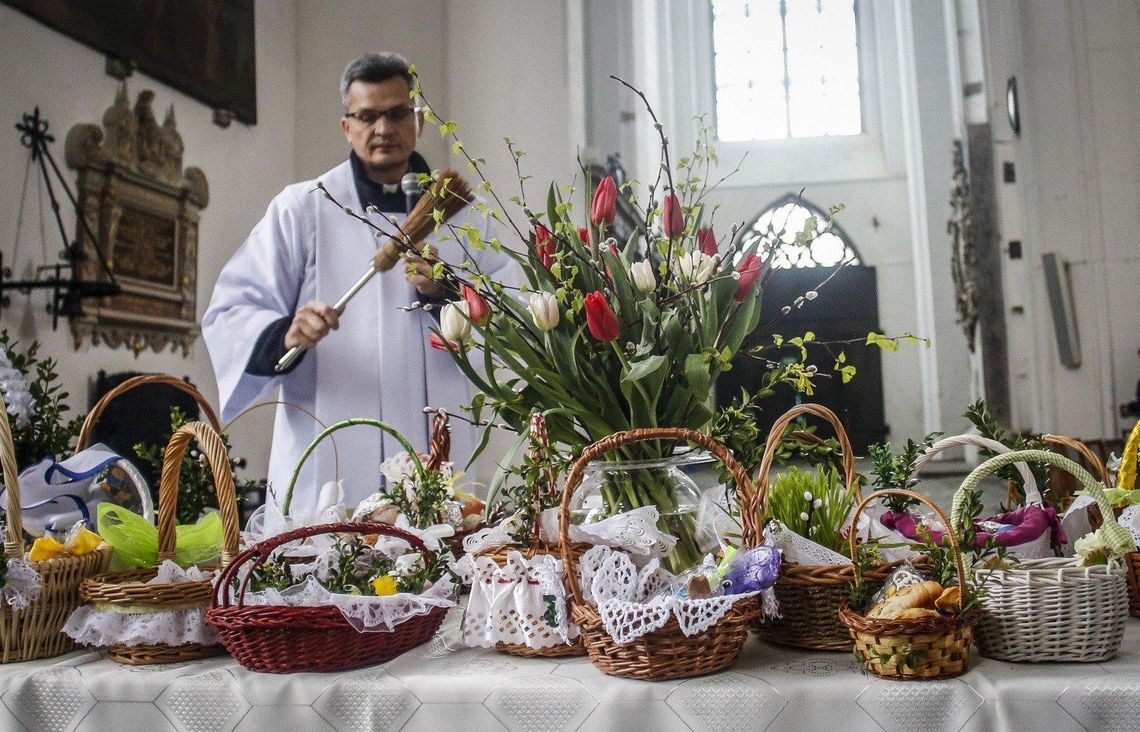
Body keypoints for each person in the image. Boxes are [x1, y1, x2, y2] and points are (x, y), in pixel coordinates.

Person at [203, 53, 508, 516]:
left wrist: (446, 293)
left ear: (419, 121)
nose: (382, 128)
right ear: (347, 127)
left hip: (440, 448)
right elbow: (232, 311)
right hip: (332, 447)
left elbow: (515, 310)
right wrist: (288, 331)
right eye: (367, 116)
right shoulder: (303, 209)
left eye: (396, 113)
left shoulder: (463, 214)